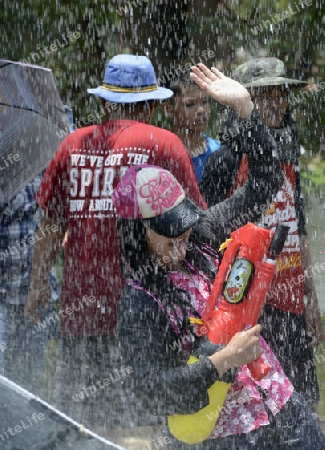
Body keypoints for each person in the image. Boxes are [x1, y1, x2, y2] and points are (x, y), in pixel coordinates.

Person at [24, 55, 251, 434]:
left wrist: (36, 289)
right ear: (151, 104)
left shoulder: (72, 145)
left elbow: (49, 226)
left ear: (103, 102)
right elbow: (195, 224)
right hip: (147, 311)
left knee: (81, 423)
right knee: (146, 423)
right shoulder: (164, 143)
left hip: (82, 309)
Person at [113, 162, 325, 449]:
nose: (181, 237)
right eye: (168, 229)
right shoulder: (138, 301)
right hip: (227, 437)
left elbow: (266, 179)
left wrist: (247, 117)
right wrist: (225, 360)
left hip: (284, 407)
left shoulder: (203, 237)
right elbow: (152, 390)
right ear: (136, 233)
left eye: (182, 221)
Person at [200, 57, 325, 412]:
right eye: (264, 97)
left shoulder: (289, 156)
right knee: (254, 406)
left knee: (302, 402)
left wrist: (310, 300)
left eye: (280, 95)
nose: (275, 104)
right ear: (243, 104)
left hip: (289, 299)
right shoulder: (225, 160)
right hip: (246, 303)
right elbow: (207, 241)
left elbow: (296, 230)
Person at [0, 174, 59, 396]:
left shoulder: (44, 164)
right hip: (3, 291)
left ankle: (24, 429)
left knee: (28, 384)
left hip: (36, 288)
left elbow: (57, 215)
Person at [162, 71, 220, 182]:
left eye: (204, 102)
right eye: (190, 104)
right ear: (168, 110)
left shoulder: (218, 153)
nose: (201, 110)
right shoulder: (161, 158)